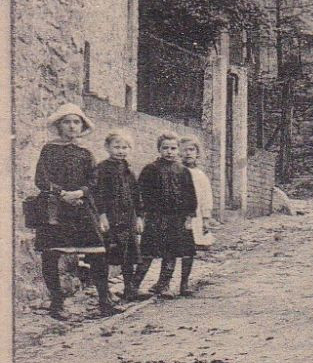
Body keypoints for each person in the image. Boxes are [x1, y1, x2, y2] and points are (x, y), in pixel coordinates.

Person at [30, 104, 119, 319]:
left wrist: (80, 192)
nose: (72, 126)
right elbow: (41, 179)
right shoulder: (49, 149)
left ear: (82, 126)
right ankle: (57, 304)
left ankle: (104, 302)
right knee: (52, 254)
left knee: (97, 252)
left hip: (82, 207)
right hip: (55, 209)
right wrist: (62, 194)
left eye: (76, 122)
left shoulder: (86, 153)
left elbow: (94, 180)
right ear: (60, 126)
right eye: (67, 122)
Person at [138, 133, 198, 298]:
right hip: (155, 218)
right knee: (147, 252)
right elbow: (141, 193)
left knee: (171, 252)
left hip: (177, 219)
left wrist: (189, 217)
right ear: (159, 149)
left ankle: (164, 285)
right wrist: (142, 215)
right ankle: (132, 286)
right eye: (165, 148)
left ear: (178, 150)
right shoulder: (150, 169)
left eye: (173, 148)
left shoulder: (183, 171)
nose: (169, 152)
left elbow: (190, 195)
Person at [92, 129, 146, 303]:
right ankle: (105, 292)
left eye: (125, 147)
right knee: (107, 254)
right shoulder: (101, 169)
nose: (121, 150)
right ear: (107, 147)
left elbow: (136, 195)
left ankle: (129, 288)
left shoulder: (128, 170)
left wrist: (139, 217)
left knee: (129, 255)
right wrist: (102, 215)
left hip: (128, 218)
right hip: (111, 218)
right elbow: (98, 193)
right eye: (117, 146)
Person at [181, 138, 214, 262]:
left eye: (191, 150)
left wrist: (206, 218)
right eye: (185, 150)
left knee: (194, 238)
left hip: (196, 212)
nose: (188, 153)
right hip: (179, 212)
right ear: (179, 152)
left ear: (197, 153)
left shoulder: (200, 175)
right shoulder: (176, 171)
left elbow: (206, 197)